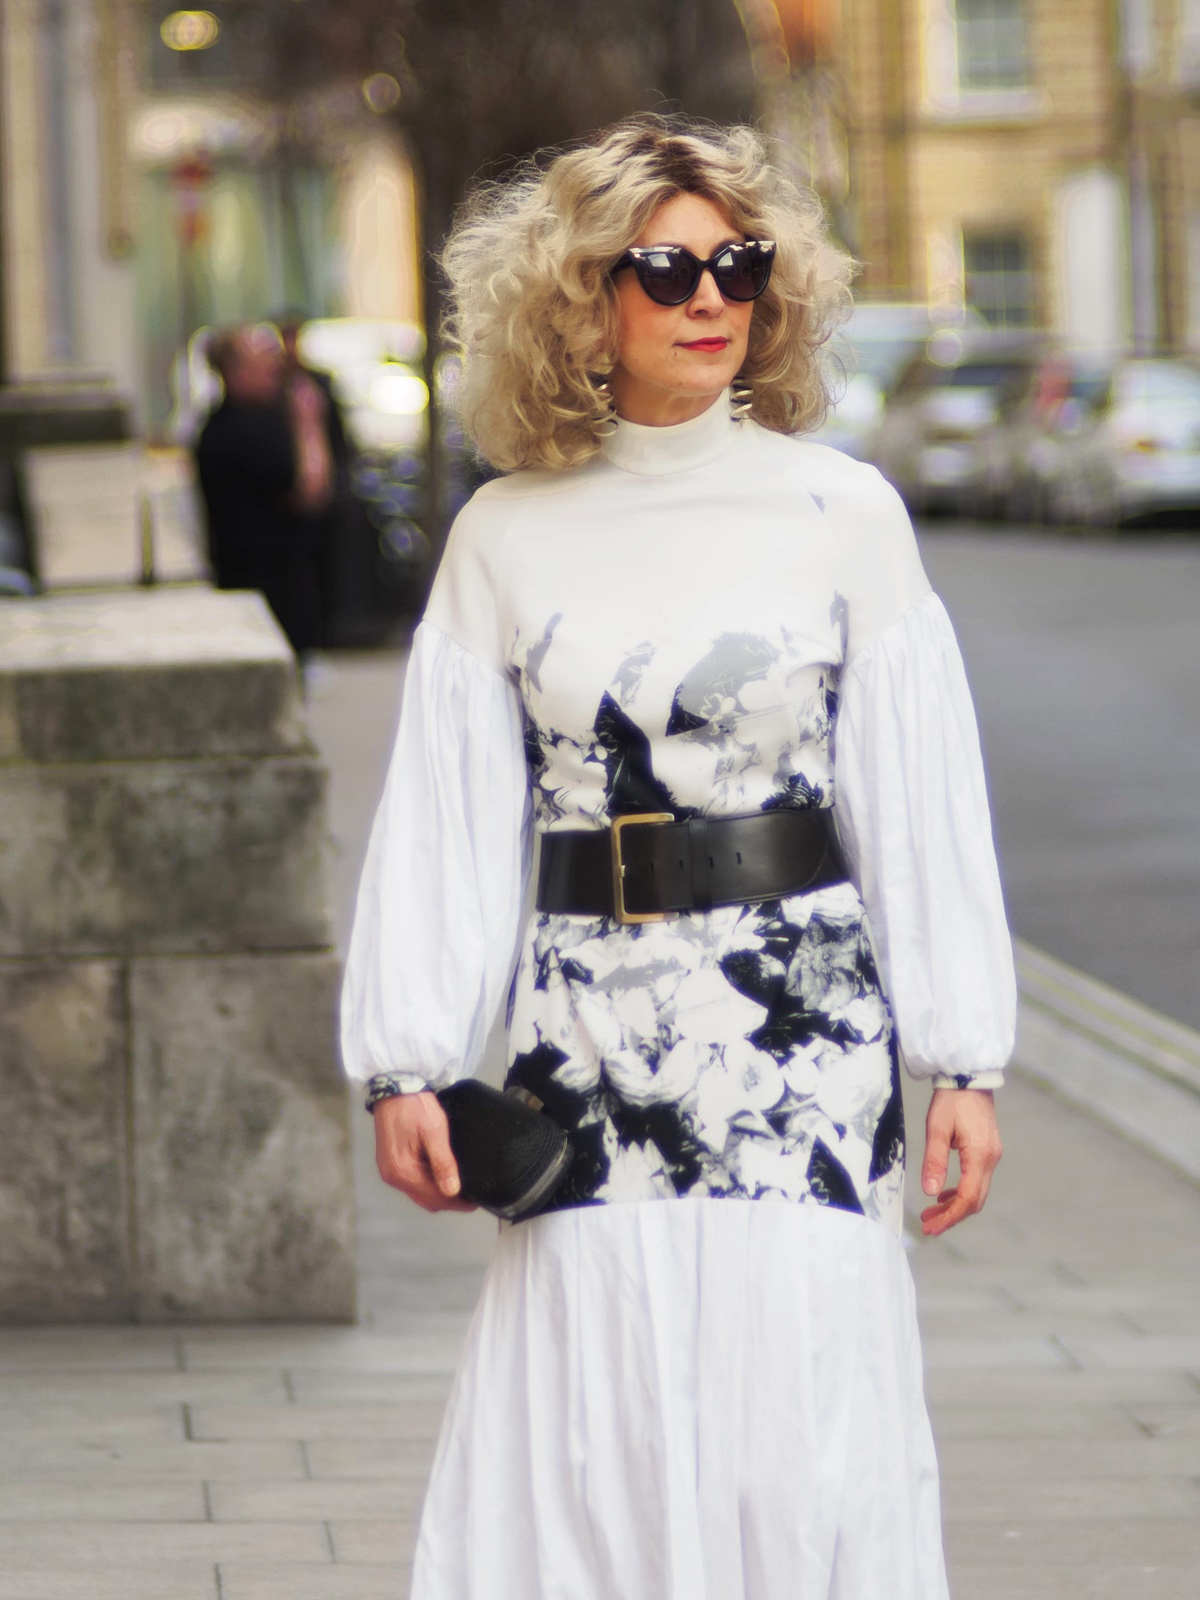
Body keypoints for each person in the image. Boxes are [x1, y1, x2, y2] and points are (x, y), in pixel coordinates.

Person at [341, 117, 1014, 1600]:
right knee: (598, 1424)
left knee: (803, 1423)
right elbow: (448, 818)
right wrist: (402, 1065)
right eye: (665, 269)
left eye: (739, 264)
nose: (711, 297)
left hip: (804, 1034)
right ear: (583, 298)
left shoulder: (845, 514)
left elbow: (920, 804)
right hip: (584, 1031)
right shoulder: (505, 533)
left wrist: (964, 1058)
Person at [195, 324, 327, 660]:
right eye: (265, 361)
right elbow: (311, 490)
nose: (276, 369)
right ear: (235, 370)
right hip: (266, 594)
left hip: (268, 591)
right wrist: (308, 421)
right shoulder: (243, 431)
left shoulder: (238, 422)